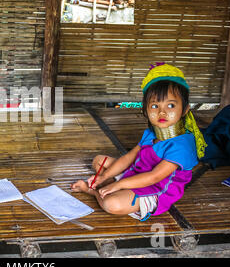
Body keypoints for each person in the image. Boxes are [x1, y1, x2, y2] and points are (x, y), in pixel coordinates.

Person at [71, 63, 207, 221]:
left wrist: (118, 185)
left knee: (112, 204)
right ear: (145, 110)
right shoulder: (151, 133)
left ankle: (93, 191)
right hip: (138, 172)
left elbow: (154, 177)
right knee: (99, 160)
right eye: (155, 106)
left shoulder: (182, 145)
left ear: (184, 109)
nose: (162, 112)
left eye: (170, 105)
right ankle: (105, 184)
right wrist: (105, 176)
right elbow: (130, 157)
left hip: (156, 188)